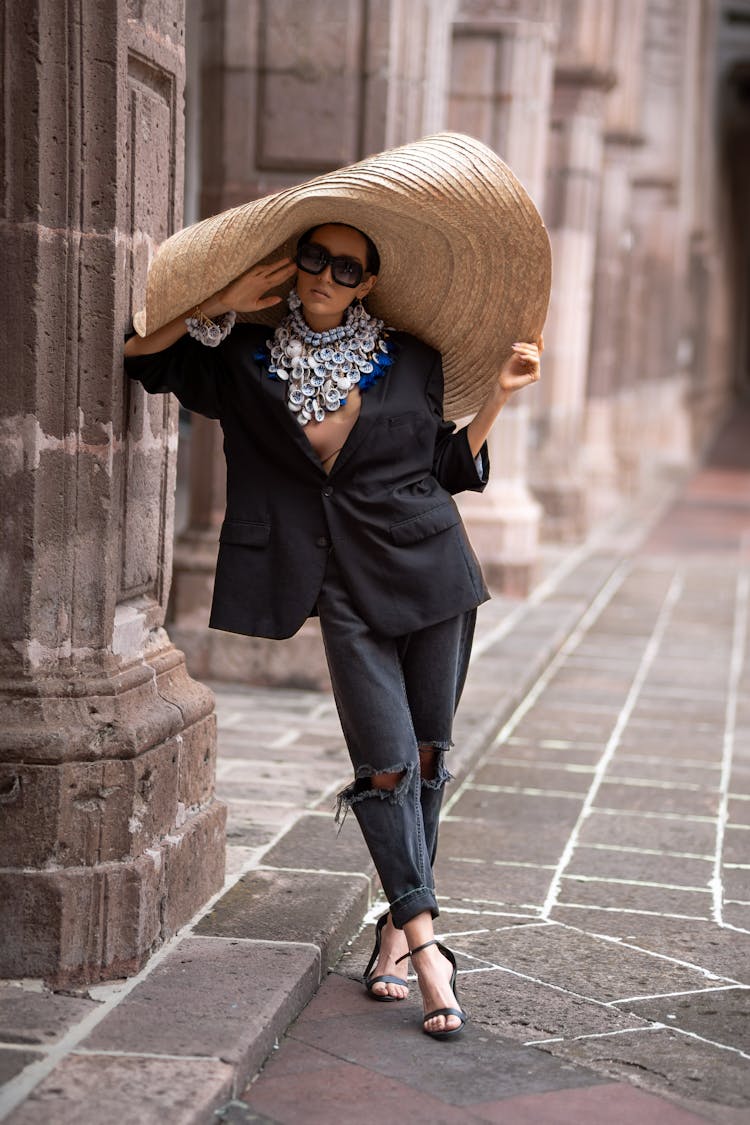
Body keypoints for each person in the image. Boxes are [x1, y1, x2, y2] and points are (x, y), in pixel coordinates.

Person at [124, 134, 548, 1040]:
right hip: (339, 590)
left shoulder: (413, 358)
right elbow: (141, 354)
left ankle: (399, 934)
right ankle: (436, 952)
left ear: (366, 283)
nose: (322, 274)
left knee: (431, 755)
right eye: (312, 256)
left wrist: (501, 397)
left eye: (343, 267)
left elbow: (447, 466)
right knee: (385, 762)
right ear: (293, 263)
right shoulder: (242, 358)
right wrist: (222, 299)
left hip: (434, 572)